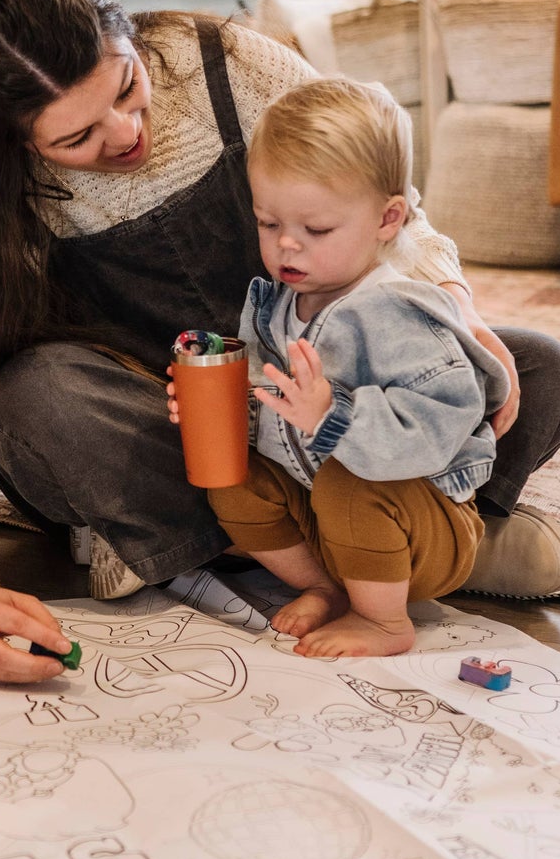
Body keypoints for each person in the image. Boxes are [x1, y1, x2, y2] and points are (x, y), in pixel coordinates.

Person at [0, 0, 560, 684]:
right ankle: (396, 554)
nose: (126, 133)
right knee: (39, 401)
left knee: (536, 369)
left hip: (327, 397)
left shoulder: (223, 63)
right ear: (7, 145)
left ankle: (386, 544)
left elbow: (383, 198)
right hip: (169, 432)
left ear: (129, 37)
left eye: (127, 88)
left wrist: (452, 299)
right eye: (77, 139)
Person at [190, 76, 508, 658]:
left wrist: (333, 414)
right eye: (268, 224)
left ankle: (385, 621)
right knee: (228, 477)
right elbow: (269, 410)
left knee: (348, 482)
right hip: (327, 524)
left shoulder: (397, 309)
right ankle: (324, 586)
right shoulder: (276, 305)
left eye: (316, 230)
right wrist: (221, 405)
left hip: (416, 530)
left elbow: (440, 424)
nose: (288, 245)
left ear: (388, 219)